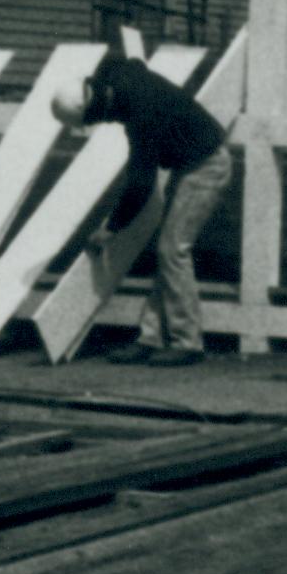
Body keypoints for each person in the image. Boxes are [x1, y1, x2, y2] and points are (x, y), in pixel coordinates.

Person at [57, 52, 233, 360]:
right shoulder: (122, 79)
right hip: (190, 164)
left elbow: (141, 183)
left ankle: (187, 343)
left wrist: (110, 228)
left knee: (173, 250)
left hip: (206, 167)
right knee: (168, 251)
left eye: (96, 118)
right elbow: (125, 59)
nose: (104, 121)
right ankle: (150, 338)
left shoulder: (141, 114)